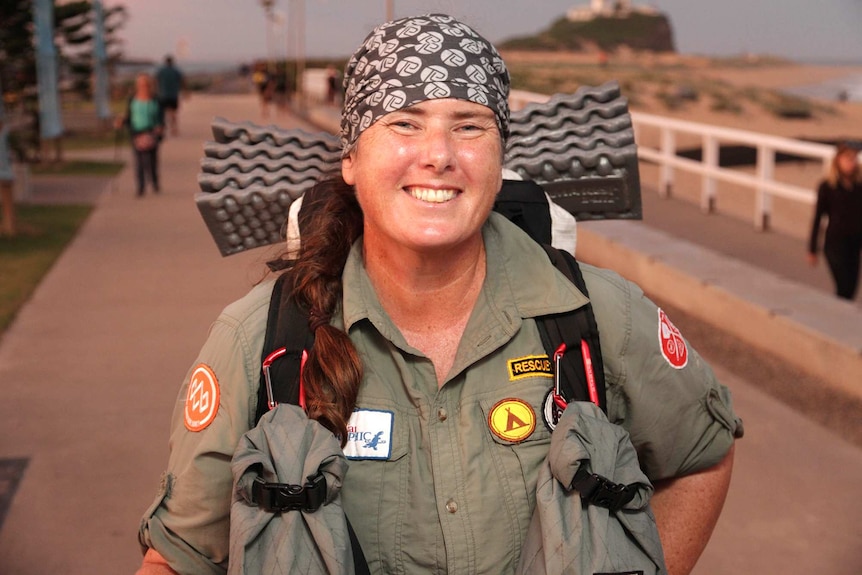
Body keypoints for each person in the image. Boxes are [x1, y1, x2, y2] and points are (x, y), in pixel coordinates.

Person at [136, 13, 742, 575]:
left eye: (469, 127)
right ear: (351, 157)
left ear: (500, 155)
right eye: (404, 123)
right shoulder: (259, 341)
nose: (438, 156)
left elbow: (702, 457)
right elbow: (177, 557)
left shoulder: (599, 315)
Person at [807, 142, 862, 300]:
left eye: (854, 159)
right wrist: (812, 248)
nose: (851, 163)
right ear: (838, 161)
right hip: (835, 244)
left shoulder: (859, 187)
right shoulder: (827, 187)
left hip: (855, 244)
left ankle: (840, 318)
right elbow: (818, 218)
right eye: (848, 159)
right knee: (843, 286)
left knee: (851, 289)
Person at [116, 73, 164, 197]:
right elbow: (129, 116)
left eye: (145, 85)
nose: (143, 87)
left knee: (152, 160)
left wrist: (160, 127)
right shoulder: (132, 99)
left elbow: (160, 117)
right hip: (136, 132)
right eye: (141, 85)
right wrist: (122, 121)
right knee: (139, 161)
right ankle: (141, 187)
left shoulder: (156, 99)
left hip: (151, 132)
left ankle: (154, 181)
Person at [155, 55, 185, 136]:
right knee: (173, 113)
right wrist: (185, 91)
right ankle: (174, 128)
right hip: (173, 95)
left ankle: (164, 128)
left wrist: (156, 91)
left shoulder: (161, 71)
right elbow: (182, 81)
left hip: (163, 95)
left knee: (163, 113)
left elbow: (156, 81)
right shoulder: (175, 71)